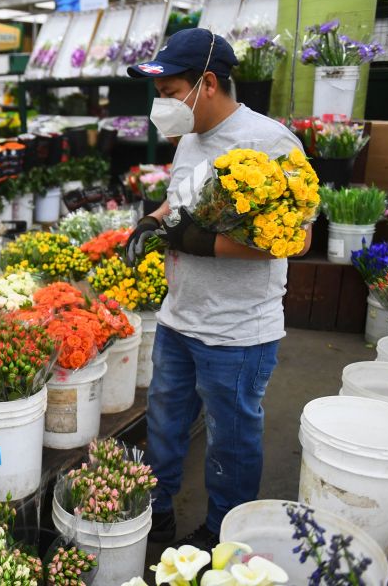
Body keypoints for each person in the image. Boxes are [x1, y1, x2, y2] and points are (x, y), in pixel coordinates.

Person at [124, 28, 312, 549]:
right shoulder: (190, 139)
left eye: (168, 93)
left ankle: (225, 530)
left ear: (206, 83)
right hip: (180, 317)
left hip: (237, 331)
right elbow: (177, 201)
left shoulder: (272, 142)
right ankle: (157, 512)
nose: (161, 107)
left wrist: (205, 245)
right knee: (163, 427)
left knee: (231, 440)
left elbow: (297, 235)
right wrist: (151, 222)